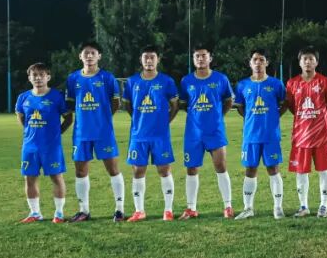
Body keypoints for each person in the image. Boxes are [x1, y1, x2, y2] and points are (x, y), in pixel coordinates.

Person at [65, 40, 126, 222]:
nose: (89, 56)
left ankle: (119, 210)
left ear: (99, 56)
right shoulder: (73, 79)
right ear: (80, 56)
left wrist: (103, 118)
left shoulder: (108, 78)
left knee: (113, 169)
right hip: (81, 132)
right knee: (80, 171)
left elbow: (115, 103)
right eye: (86, 53)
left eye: (93, 53)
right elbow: (70, 104)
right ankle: (84, 211)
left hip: (103, 132)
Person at [121, 47, 179, 222]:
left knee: (164, 169)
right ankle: (139, 211)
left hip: (160, 135)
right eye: (145, 57)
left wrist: (165, 121)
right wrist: (138, 120)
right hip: (139, 135)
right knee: (138, 170)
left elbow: (175, 106)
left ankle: (168, 210)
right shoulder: (132, 82)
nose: (149, 60)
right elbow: (128, 105)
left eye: (152, 57)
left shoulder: (167, 81)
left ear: (158, 59)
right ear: (141, 59)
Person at [179, 45, 235, 219]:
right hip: (193, 132)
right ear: (193, 59)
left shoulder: (221, 79)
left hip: (215, 131)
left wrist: (218, 116)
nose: (200, 58)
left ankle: (228, 206)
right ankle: (191, 208)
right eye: (197, 56)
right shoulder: (186, 81)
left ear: (210, 58)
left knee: (221, 166)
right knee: (191, 168)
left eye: (204, 55)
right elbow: (183, 104)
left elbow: (228, 100)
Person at [232, 49, 287, 219]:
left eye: (261, 59)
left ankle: (278, 207)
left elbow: (284, 104)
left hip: (270, 135)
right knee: (250, 169)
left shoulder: (276, 84)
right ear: (250, 63)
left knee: (273, 169)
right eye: (255, 59)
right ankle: (248, 208)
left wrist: (273, 117)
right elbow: (240, 107)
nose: (258, 63)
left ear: (266, 63)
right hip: (250, 135)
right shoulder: (242, 85)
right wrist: (250, 118)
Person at [15, 63, 72, 223]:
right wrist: (29, 133)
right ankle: (35, 213)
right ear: (29, 78)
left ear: (48, 77)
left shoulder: (57, 96)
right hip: (30, 147)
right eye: (34, 75)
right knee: (29, 178)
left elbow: (68, 118)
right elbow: (21, 117)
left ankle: (59, 213)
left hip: (51, 147)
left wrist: (57, 133)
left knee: (56, 177)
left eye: (41, 75)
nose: (38, 78)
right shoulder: (23, 97)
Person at [285, 47, 327, 218]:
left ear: (317, 62)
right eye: (304, 59)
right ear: (300, 62)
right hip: (301, 136)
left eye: (311, 59)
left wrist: (320, 120)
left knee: (324, 170)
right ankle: (303, 206)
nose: (308, 62)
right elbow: (292, 106)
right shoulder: (292, 83)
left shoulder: (326, 82)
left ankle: (323, 205)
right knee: (301, 171)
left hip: (322, 136)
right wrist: (305, 118)